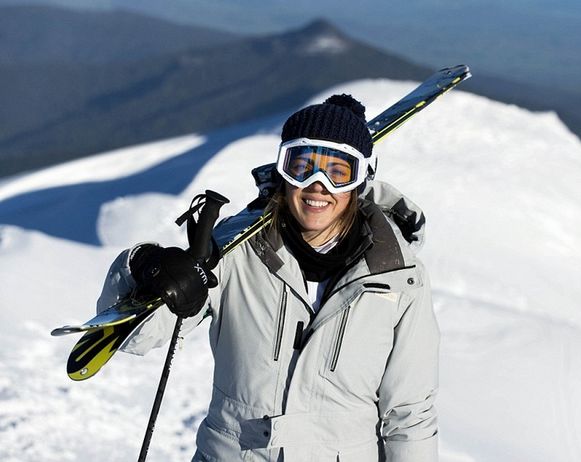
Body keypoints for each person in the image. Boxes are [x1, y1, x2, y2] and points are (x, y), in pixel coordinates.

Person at [97, 94, 440, 461]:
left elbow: (410, 415)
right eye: (302, 166)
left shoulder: (399, 277)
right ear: (282, 172)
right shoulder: (234, 253)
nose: (318, 184)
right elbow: (139, 338)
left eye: (339, 171)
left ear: (360, 182)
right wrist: (145, 268)